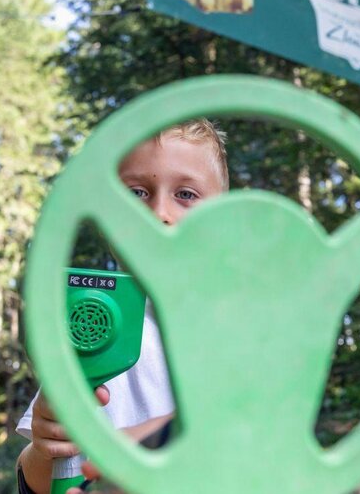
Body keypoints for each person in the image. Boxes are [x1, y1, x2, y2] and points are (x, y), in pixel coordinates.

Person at [16, 118, 229, 493]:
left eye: (186, 194)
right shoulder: (99, 325)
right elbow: (36, 477)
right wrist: (46, 447)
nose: (159, 212)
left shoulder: (252, 326)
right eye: (136, 193)